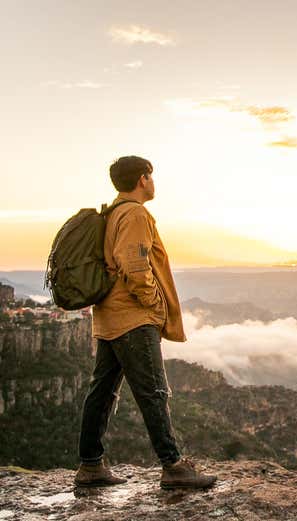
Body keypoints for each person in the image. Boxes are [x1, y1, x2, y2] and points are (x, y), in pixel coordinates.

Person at [74, 156, 216, 489]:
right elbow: (134, 264)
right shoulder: (136, 214)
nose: (153, 182)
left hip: (110, 315)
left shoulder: (112, 213)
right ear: (142, 179)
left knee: (103, 391)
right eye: (151, 176)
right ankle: (174, 466)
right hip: (133, 318)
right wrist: (154, 305)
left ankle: (90, 465)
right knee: (153, 392)